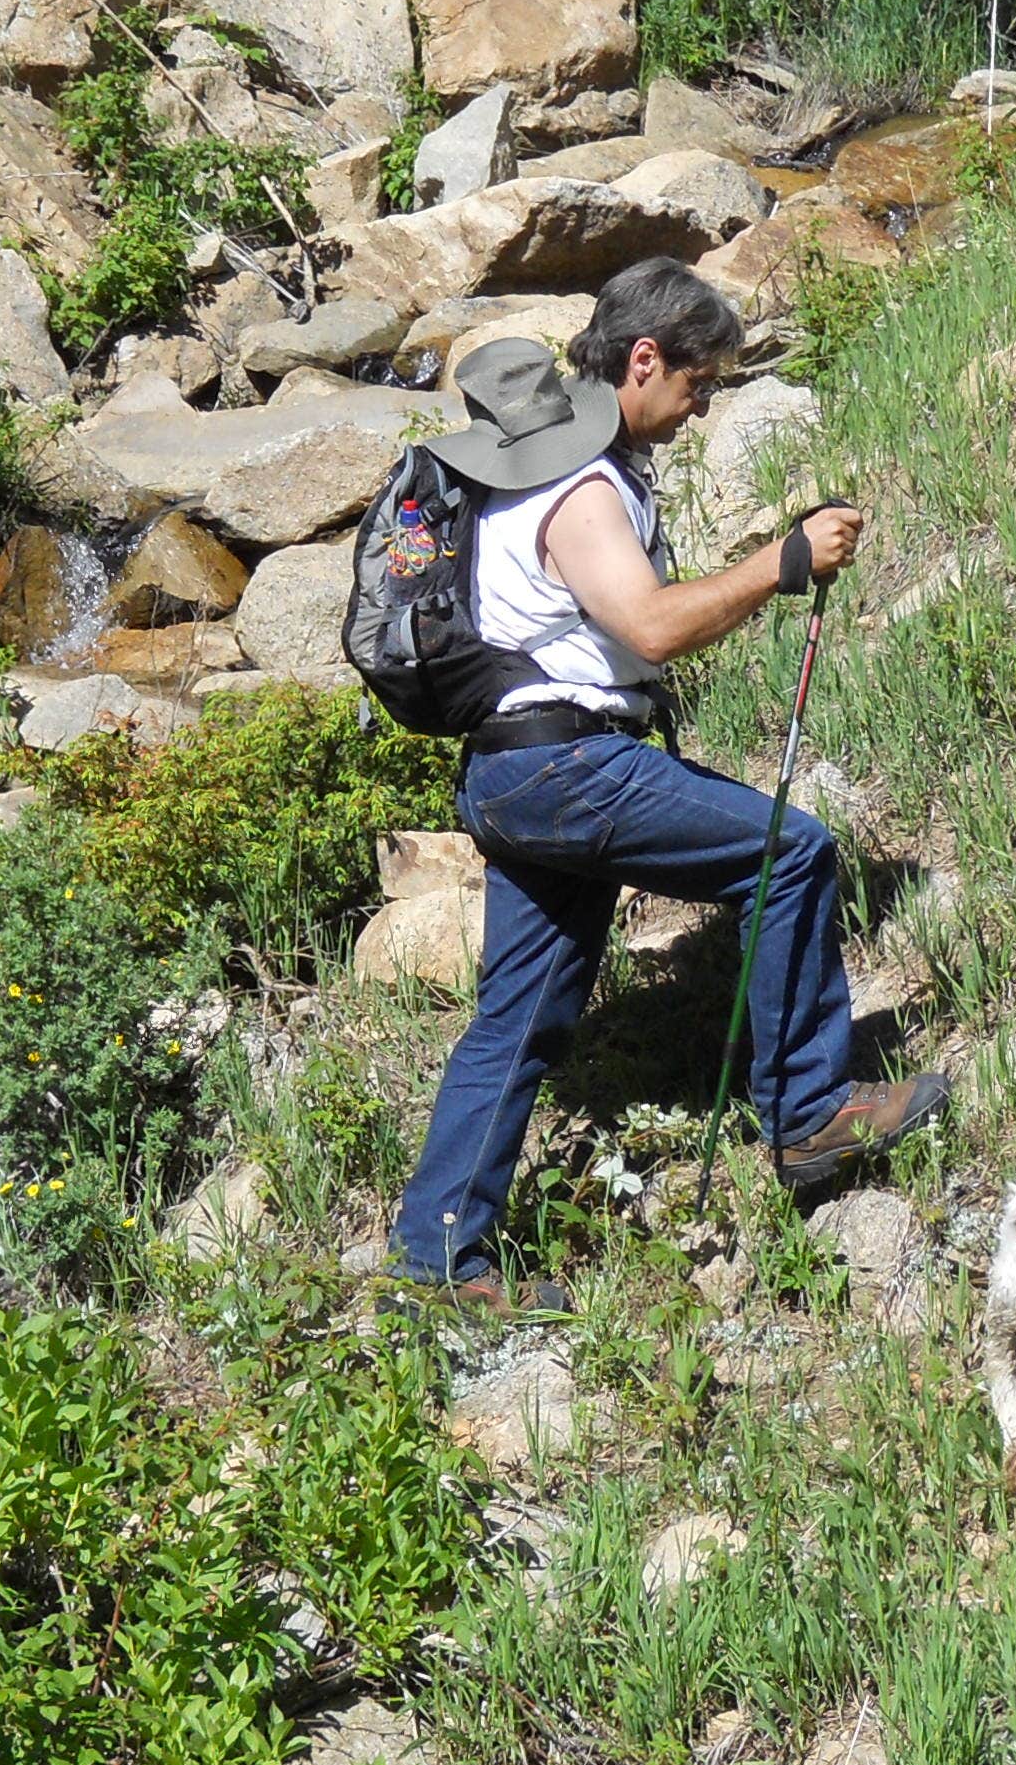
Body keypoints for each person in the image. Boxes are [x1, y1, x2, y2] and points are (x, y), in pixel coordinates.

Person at [390, 258, 950, 1307]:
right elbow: (649, 625)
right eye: (698, 384)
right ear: (643, 359)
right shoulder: (582, 485)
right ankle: (807, 1113)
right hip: (564, 767)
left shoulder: (522, 478)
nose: (699, 408)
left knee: (517, 1018)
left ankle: (435, 1264)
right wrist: (780, 564)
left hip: (512, 774)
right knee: (792, 851)